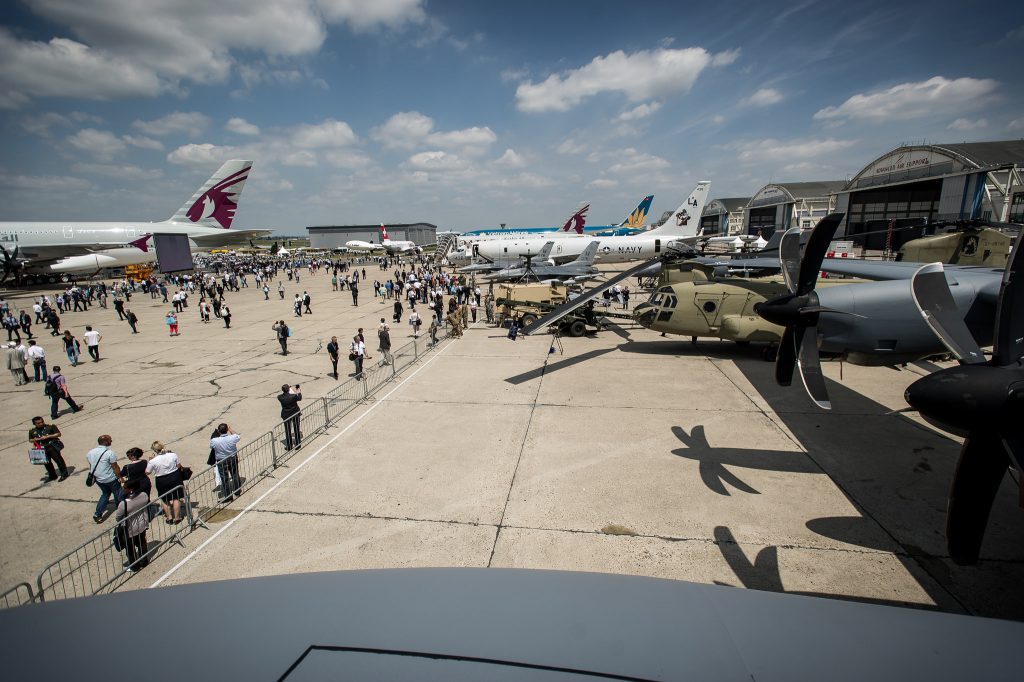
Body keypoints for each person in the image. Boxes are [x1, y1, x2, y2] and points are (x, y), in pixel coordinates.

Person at [85, 434, 122, 522]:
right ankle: (121, 512)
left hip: (99, 479)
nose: (111, 441)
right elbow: (115, 467)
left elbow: (92, 465)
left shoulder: (90, 453)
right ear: (105, 442)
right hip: (111, 479)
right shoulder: (109, 453)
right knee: (118, 494)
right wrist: (120, 477)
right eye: (110, 440)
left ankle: (98, 514)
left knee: (105, 494)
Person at [115, 478, 150, 572]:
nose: (123, 489)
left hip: (130, 529)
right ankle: (144, 561)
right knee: (142, 543)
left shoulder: (124, 504)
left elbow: (118, 517)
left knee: (130, 548)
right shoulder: (144, 495)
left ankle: (134, 566)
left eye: (125, 487)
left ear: (131, 489)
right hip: (142, 524)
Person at [147, 441, 185, 523]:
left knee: (164, 499)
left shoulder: (153, 461)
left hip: (161, 480)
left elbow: (147, 472)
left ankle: (169, 517)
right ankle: (177, 517)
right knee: (176, 498)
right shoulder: (172, 455)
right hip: (174, 477)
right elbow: (178, 466)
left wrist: (150, 460)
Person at [28, 416, 69, 482]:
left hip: (51, 446)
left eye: (42, 422)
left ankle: (64, 474)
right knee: (47, 463)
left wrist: (48, 436)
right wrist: (37, 439)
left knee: (58, 460)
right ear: (34, 424)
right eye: (38, 423)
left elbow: (58, 434)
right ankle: (52, 476)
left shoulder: (50, 426)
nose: (41, 424)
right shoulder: (32, 431)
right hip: (41, 448)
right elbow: (30, 440)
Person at [209, 423, 242, 502]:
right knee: (235, 474)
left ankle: (228, 496)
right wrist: (231, 430)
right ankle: (237, 491)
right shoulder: (232, 438)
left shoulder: (215, 440)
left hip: (221, 460)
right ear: (227, 430)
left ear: (219, 431)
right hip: (232, 458)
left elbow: (211, 446)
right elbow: (238, 436)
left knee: (225, 478)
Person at [278, 384, 302, 451]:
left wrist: (289, 389)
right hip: (295, 414)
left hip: (286, 415)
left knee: (287, 430)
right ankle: (298, 444)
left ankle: (289, 446)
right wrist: (298, 391)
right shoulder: (293, 396)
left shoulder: (280, 397)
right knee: (296, 428)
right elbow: (299, 397)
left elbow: (287, 396)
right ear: (289, 389)